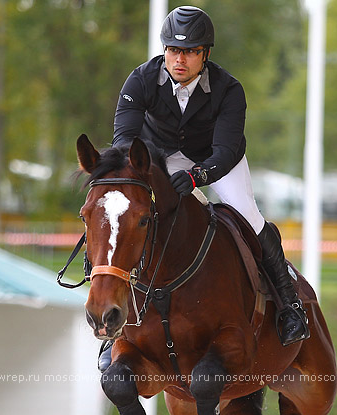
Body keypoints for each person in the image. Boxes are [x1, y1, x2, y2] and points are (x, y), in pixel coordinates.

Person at [110, 5, 309, 350]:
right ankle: (119, 323)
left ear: (206, 54)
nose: (179, 59)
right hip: (159, 159)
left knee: (248, 215)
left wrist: (196, 177)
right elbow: (123, 141)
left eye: (189, 52)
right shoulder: (140, 80)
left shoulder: (229, 89)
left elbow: (226, 151)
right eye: (173, 50)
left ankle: (290, 307)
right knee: (127, 217)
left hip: (214, 160)